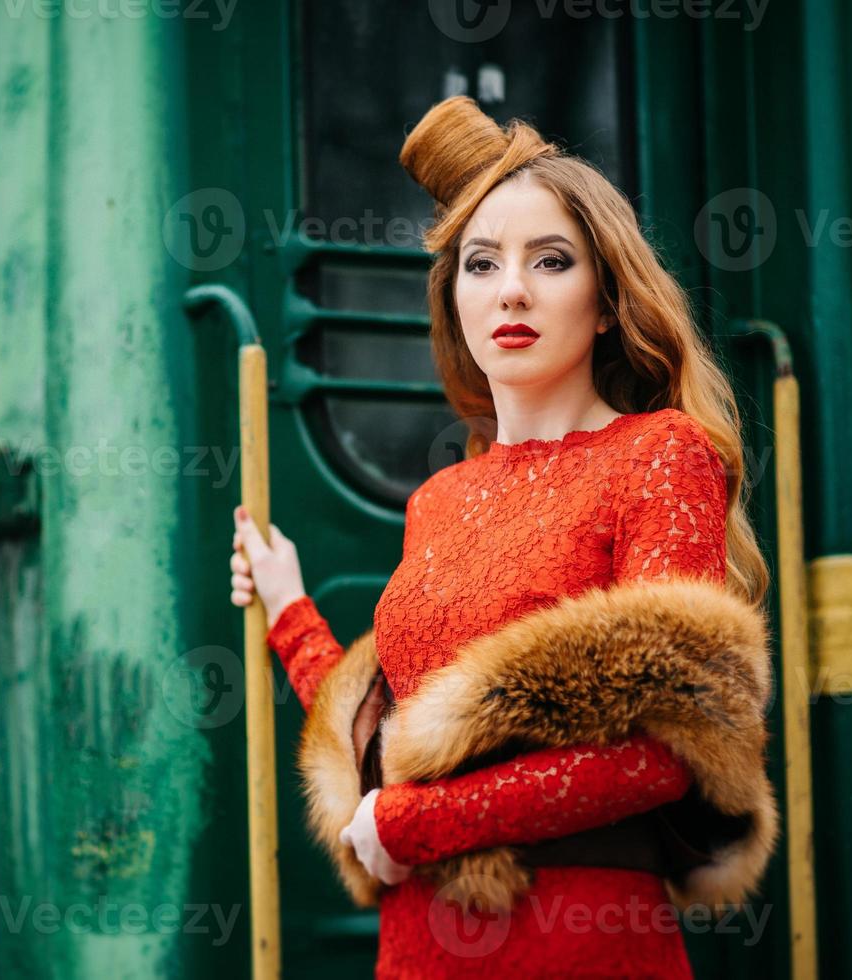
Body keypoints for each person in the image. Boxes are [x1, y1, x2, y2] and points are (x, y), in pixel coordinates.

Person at [229, 96, 773, 978]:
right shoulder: (439, 500)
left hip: (581, 942)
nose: (511, 288)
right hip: (418, 948)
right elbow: (411, 738)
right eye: (481, 264)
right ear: (456, 300)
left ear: (605, 302)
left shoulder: (661, 456)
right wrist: (290, 610)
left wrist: (416, 823)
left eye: (551, 261)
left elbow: (664, 756)